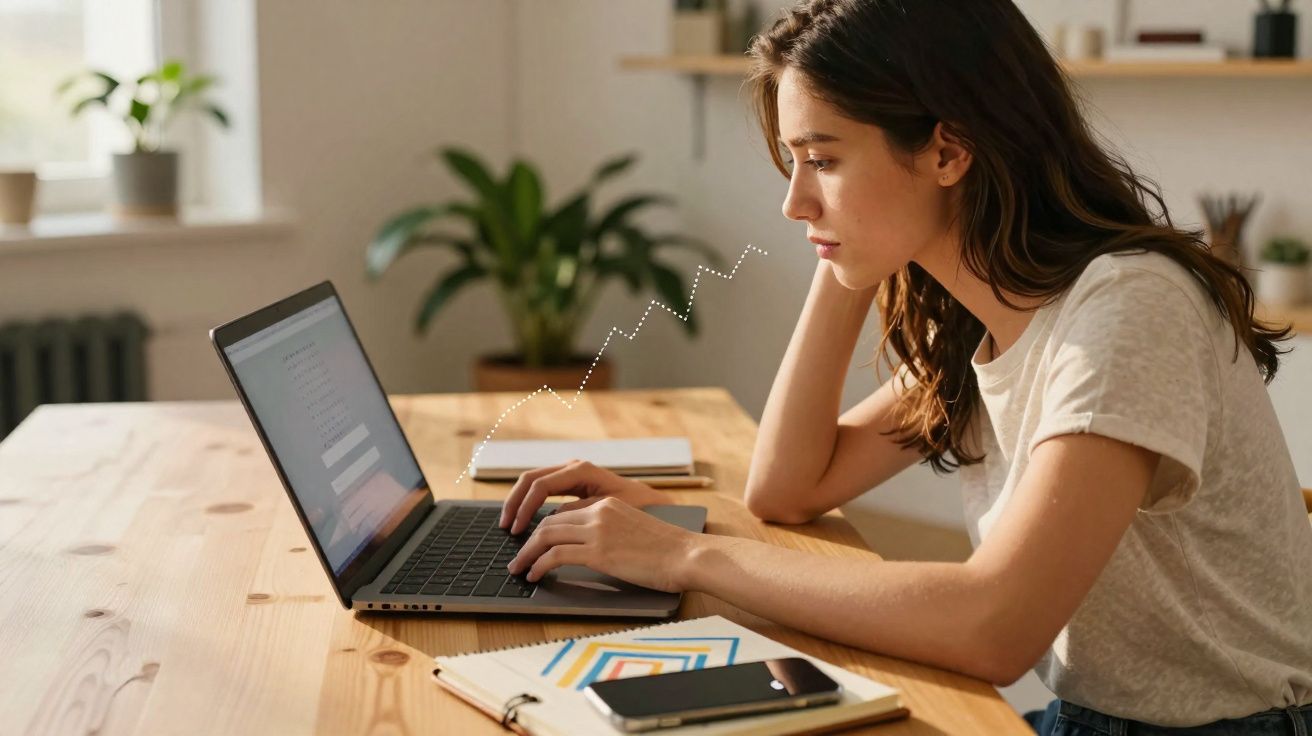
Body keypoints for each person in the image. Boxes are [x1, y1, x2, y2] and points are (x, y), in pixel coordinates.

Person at [498, 1, 1312, 732]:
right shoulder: (990, 315)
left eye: (823, 159)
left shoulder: (1128, 309)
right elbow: (788, 486)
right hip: (1086, 715)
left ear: (948, 151)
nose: (793, 203)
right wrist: (847, 249)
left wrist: (684, 554)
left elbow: (994, 624)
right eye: (794, 162)